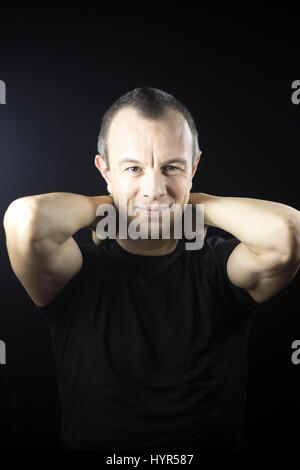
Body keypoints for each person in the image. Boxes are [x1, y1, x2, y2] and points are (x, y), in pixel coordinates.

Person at [3, 87, 300, 451]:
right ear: (105, 170)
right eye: (133, 169)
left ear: (194, 168)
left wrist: (193, 206)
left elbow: (288, 232)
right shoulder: (74, 274)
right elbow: (26, 219)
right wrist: (110, 207)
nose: (154, 188)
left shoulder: (222, 267)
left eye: (172, 167)